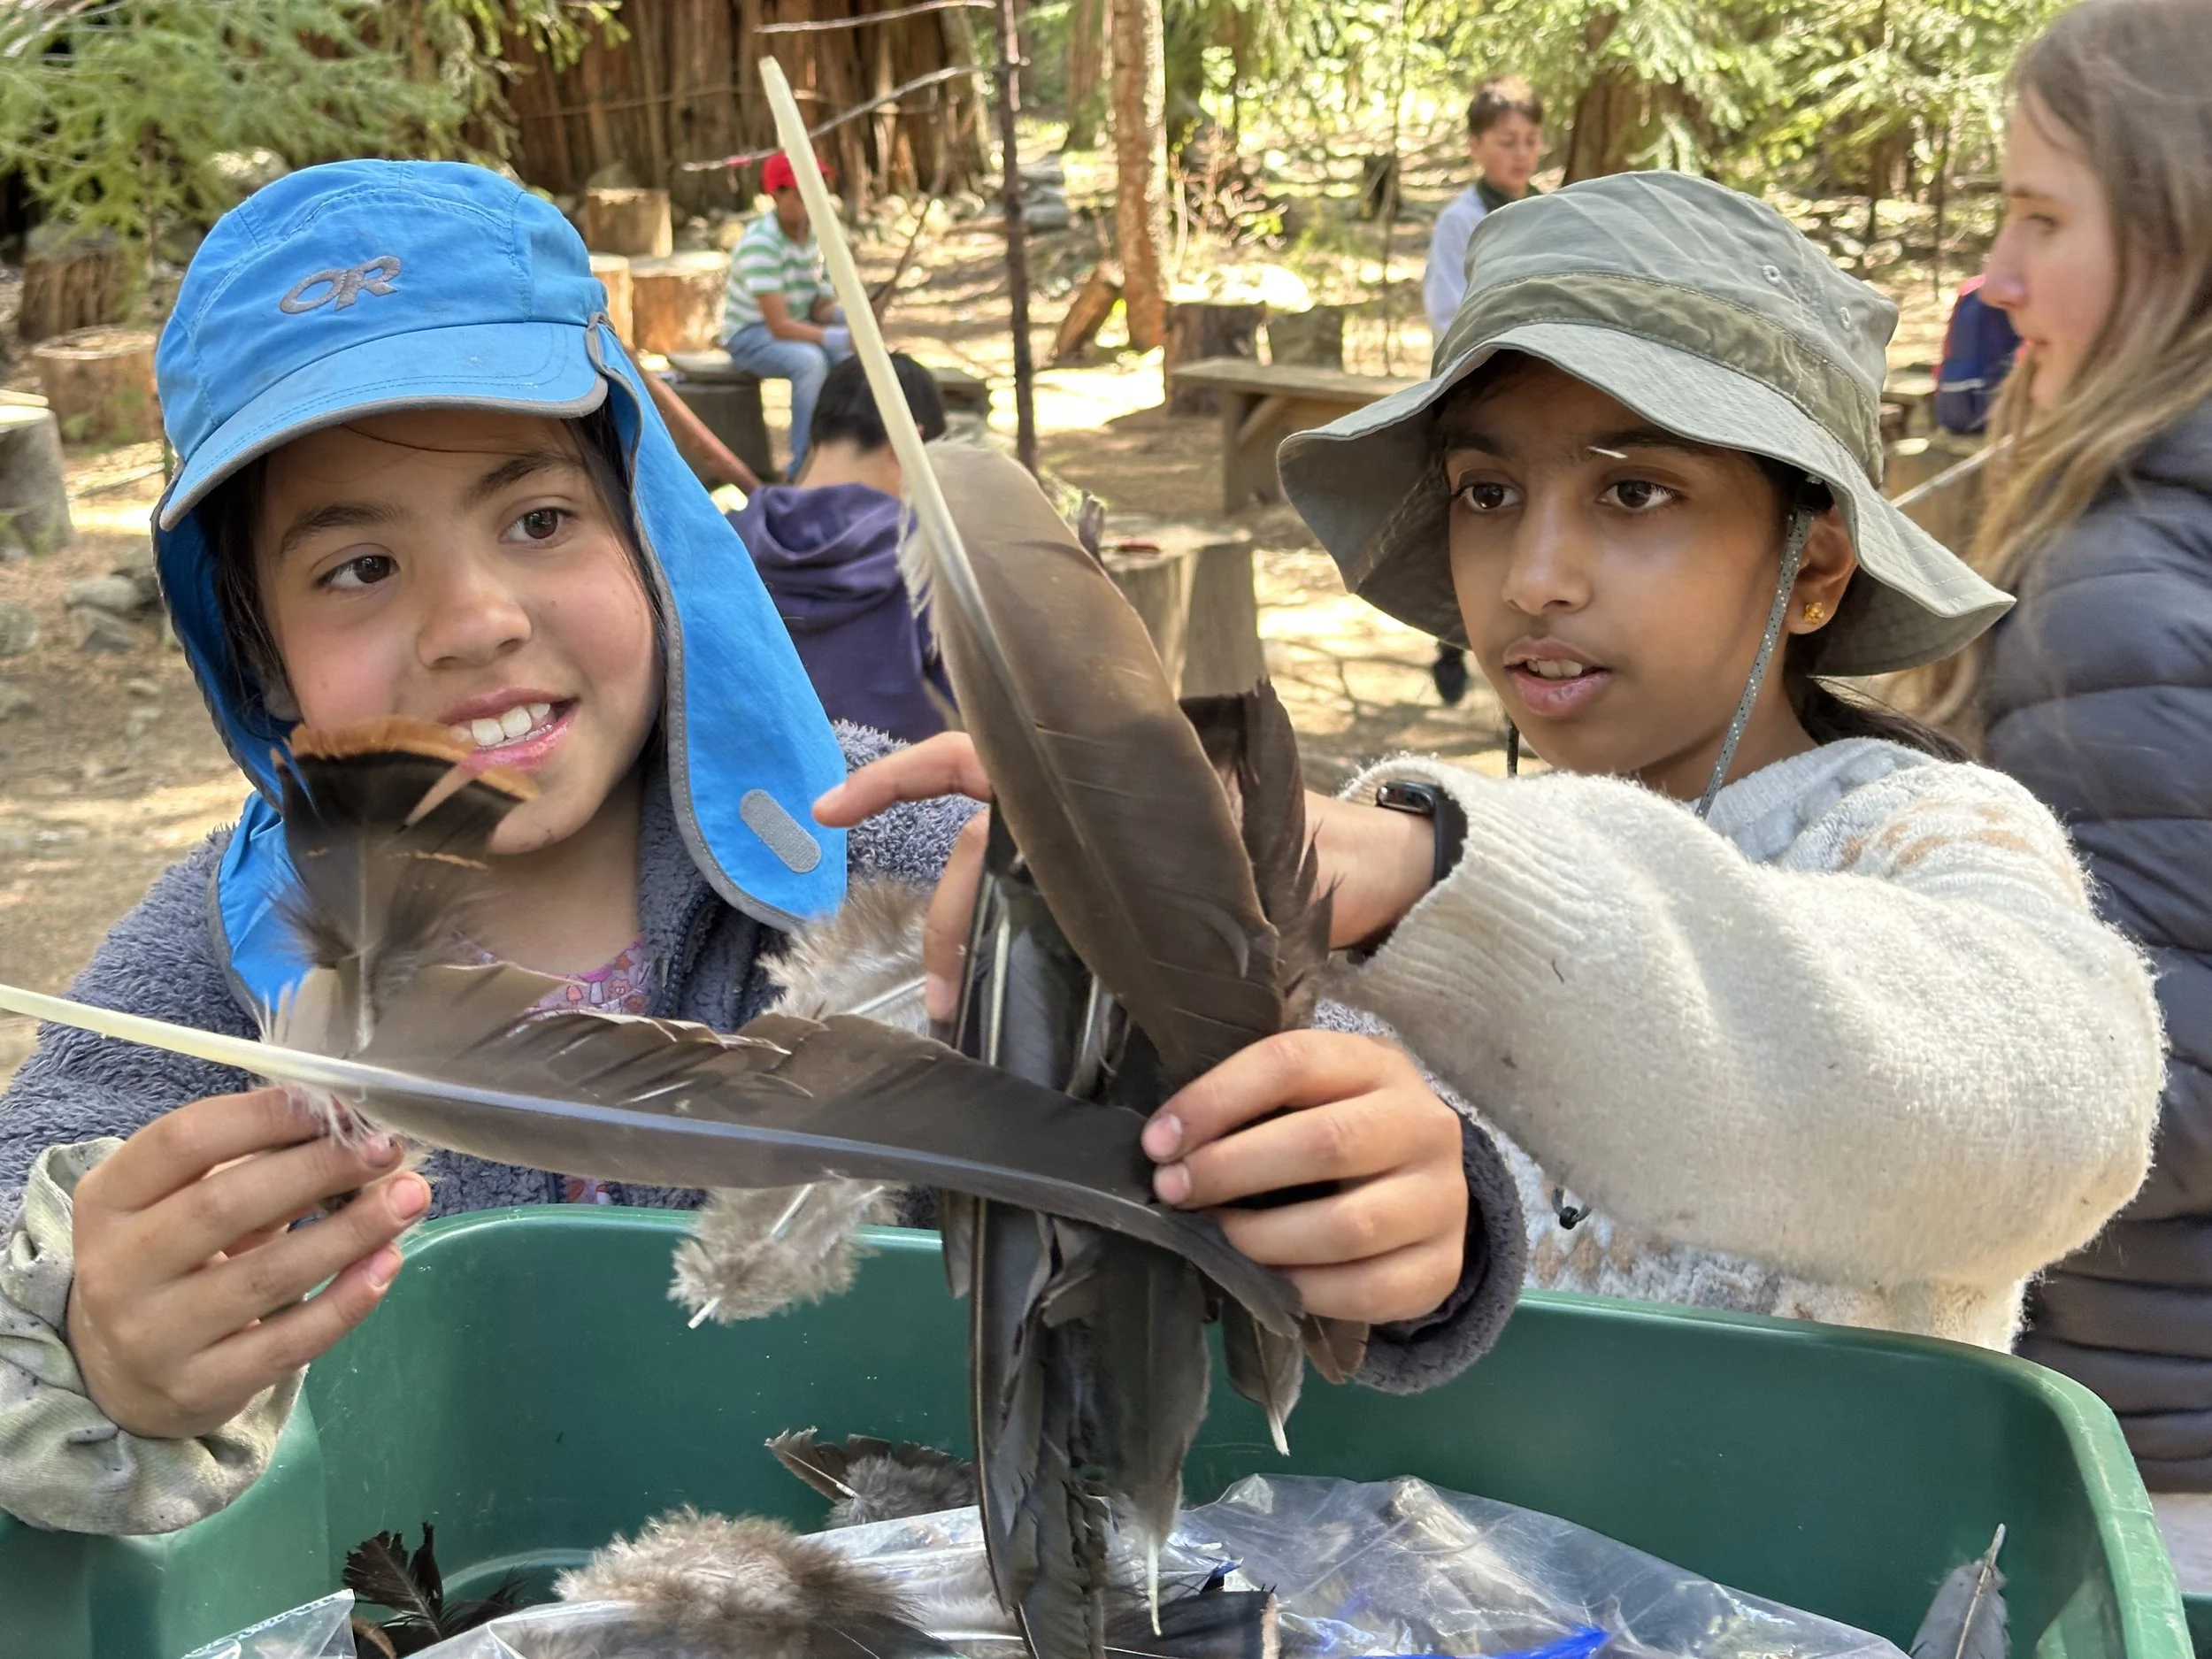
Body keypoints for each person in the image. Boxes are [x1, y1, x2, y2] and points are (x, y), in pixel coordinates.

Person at [0, 160, 1517, 1538]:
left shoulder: (930, 858)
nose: (475, 621)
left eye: (536, 519)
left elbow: (1289, 1138)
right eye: (361, 565)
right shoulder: (203, 978)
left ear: (657, 538)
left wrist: (1396, 1219)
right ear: (255, 651)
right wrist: (86, 1357)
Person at [826, 172, 2163, 1361]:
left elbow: (2061, 1103)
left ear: (1810, 563)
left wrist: (1437, 872)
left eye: (1635, 492)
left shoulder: (1921, 838)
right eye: (1487, 493)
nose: (1534, 577)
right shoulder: (1409, 872)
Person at [1906, 0, 2212, 1589]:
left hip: (2158, 1451)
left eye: (2042, 219)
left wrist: (1848, 1014)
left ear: (2180, 238)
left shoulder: (2119, 587)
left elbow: (2164, 1085)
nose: (1995, 281)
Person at [731, 353, 953, 742]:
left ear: (816, 435)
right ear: (911, 448)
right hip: (900, 794)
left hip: (746, 793)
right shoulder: (932, 562)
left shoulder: (721, 543)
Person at [1420, 77, 1545, 710]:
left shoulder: (1552, 214)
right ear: (1476, 147)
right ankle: (1451, 641)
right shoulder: (1461, 222)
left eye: (1528, 140)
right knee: (1478, 520)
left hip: (1546, 393)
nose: (1519, 154)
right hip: (1477, 388)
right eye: (1505, 141)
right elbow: (1447, 308)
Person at [721, 152, 853, 480]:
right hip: (750, 336)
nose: (810, 198)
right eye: (799, 191)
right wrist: (836, 335)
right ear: (776, 196)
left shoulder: (815, 236)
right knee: (809, 362)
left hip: (796, 327)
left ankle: (841, 457)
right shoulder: (761, 244)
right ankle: (802, 469)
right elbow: (778, 325)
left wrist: (847, 318)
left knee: (848, 357)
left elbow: (818, 307)